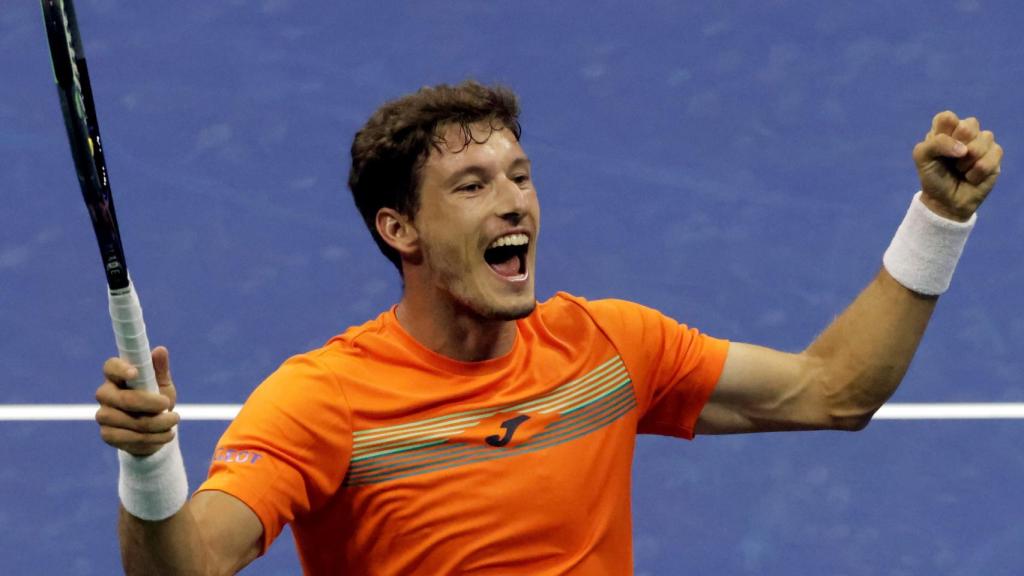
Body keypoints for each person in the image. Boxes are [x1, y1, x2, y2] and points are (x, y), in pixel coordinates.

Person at [94, 81, 1003, 575]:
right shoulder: (323, 402)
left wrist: (939, 220)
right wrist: (148, 463)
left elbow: (834, 391)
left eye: (520, 175)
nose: (513, 202)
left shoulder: (609, 350)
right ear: (398, 231)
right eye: (473, 185)